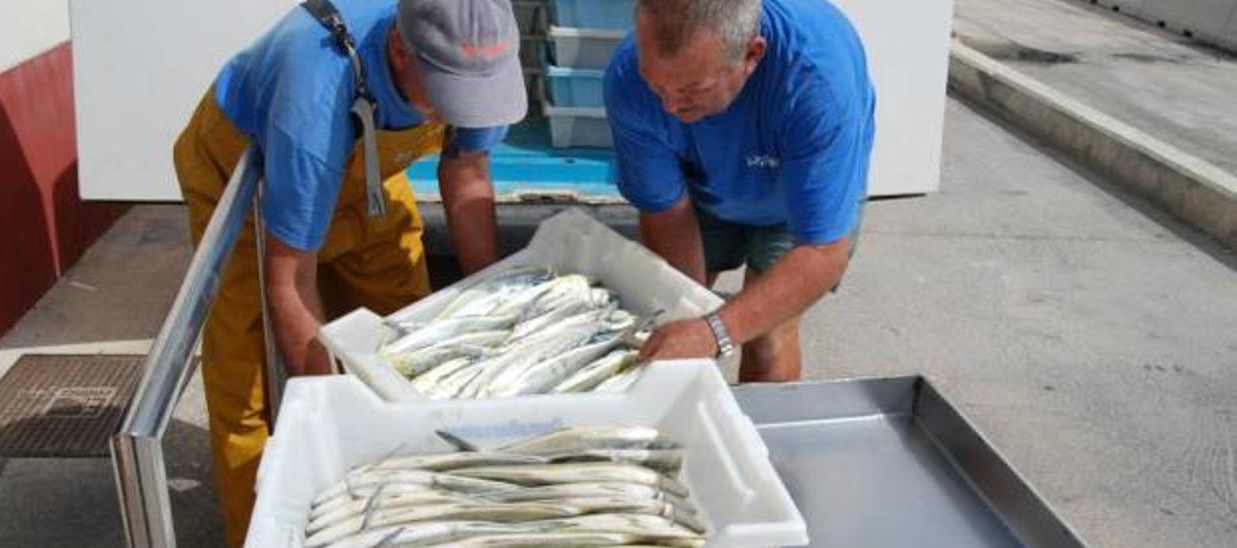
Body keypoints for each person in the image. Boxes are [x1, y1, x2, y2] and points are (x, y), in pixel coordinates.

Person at [171, 0, 524, 544]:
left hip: (366, 179)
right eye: (448, 95)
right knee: (253, 388)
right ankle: (269, 531)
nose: (460, 109)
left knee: (404, 345)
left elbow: (468, 167)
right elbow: (290, 280)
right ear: (402, 53)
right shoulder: (312, 92)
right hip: (249, 183)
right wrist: (335, 426)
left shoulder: (476, 55)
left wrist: (495, 311)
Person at [604, 0, 875, 382]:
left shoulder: (816, 85)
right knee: (673, 315)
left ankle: (758, 437)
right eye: (655, 84)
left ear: (752, 54)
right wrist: (690, 321)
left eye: (691, 88)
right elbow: (666, 210)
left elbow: (821, 251)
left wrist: (713, 332)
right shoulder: (627, 78)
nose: (668, 105)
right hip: (701, 183)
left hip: (792, 202)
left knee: (767, 336)